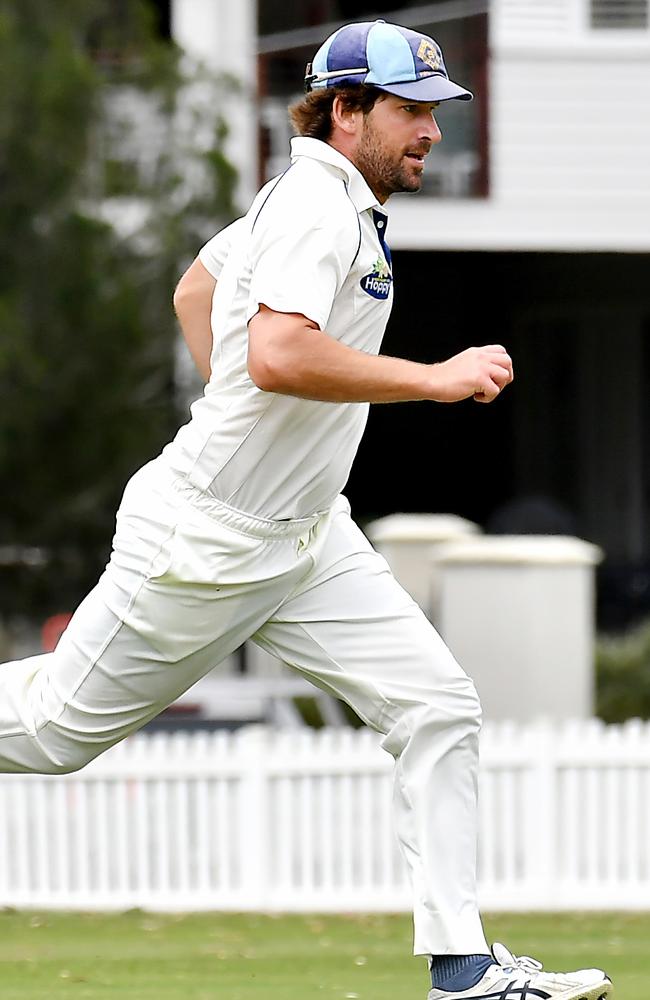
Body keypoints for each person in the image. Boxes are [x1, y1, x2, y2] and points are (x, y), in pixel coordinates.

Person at [0, 19, 611, 1000]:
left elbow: (195, 288)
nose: (429, 134)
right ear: (344, 109)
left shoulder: (331, 201)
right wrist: (432, 378)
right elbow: (279, 352)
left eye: (432, 114)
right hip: (206, 538)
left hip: (305, 532)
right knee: (56, 735)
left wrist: (245, 416)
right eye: (409, 112)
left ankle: (460, 967)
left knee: (437, 707)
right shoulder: (314, 208)